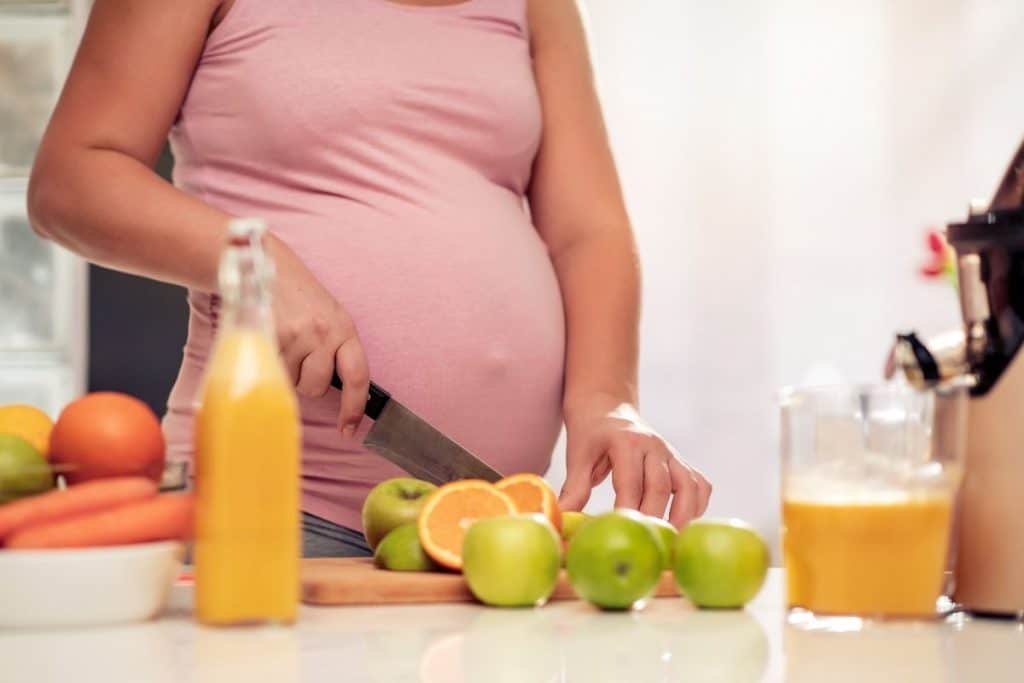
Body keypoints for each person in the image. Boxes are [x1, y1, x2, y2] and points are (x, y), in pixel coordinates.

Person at [28, 0, 711, 557]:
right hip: (270, 516)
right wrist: (256, 261)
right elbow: (71, 179)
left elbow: (586, 230)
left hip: (487, 532)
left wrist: (606, 397)